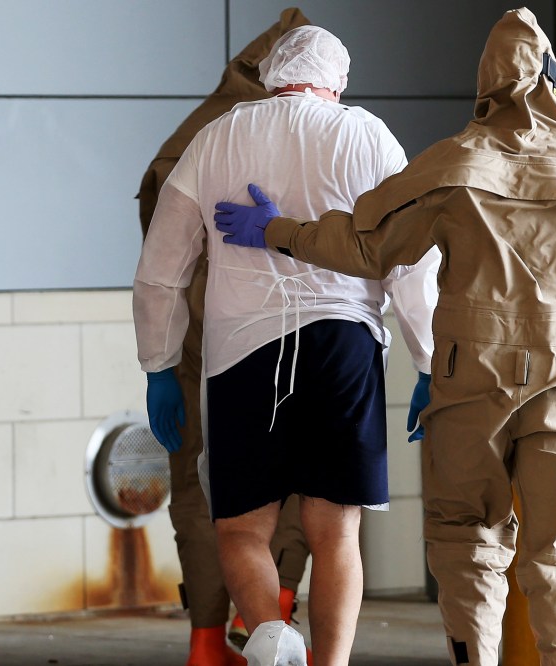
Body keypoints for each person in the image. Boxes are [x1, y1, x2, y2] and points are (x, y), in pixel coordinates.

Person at [210, 8, 556, 666]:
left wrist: (275, 231)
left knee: (467, 544)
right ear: (551, 82)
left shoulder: (453, 166)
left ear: (486, 81)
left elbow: (365, 243)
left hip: (471, 389)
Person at [133, 23, 439, 666]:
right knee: (337, 533)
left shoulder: (215, 138)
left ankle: (270, 641)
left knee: (242, 528)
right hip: (345, 347)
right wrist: (431, 363)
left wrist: (159, 366)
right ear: (338, 80)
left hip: (244, 355)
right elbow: (411, 263)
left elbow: (163, 267)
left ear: (270, 74)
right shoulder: (368, 136)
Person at [135, 10, 315, 665]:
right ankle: (275, 616)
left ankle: (208, 640)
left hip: (194, 340)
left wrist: (157, 363)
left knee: (196, 482)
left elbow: (156, 258)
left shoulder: (188, 140)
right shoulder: (310, 134)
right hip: (286, 333)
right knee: (299, 478)